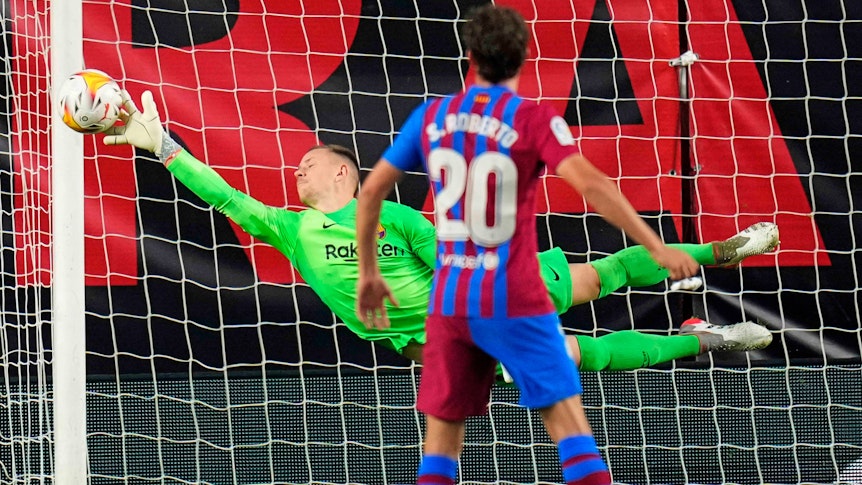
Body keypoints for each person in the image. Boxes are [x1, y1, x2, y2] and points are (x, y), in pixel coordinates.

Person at [102, 93, 776, 373]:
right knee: (576, 357)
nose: (297, 172)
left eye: (309, 164)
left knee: (609, 274)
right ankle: (700, 339)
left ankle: (720, 250)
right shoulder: (292, 227)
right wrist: (160, 143)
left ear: (343, 171)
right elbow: (224, 196)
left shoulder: (388, 215)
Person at [352, 5, 729, 484]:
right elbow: (590, 185)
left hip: (451, 302)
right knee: (572, 438)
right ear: (525, 56)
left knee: (440, 454)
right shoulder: (531, 118)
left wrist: (370, 274)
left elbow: (370, 193)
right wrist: (656, 246)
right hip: (514, 298)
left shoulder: (434, 116)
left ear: (469, 55)